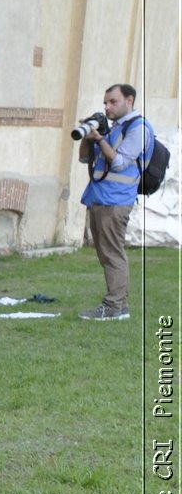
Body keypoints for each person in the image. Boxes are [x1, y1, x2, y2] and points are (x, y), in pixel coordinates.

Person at [78, 83, 152, 322]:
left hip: (116, 201)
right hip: (100, 198)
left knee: (113, 254)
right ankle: (119, 304)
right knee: (106, 255)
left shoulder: (139, 128)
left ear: (129, 100)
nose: (107, 107)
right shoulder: (113, 128)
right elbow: (84, 159)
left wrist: (99, 138)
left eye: (113, 102)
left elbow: (120, 162)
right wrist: (88, 137)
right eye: (105, 103)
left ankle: (113, 307)